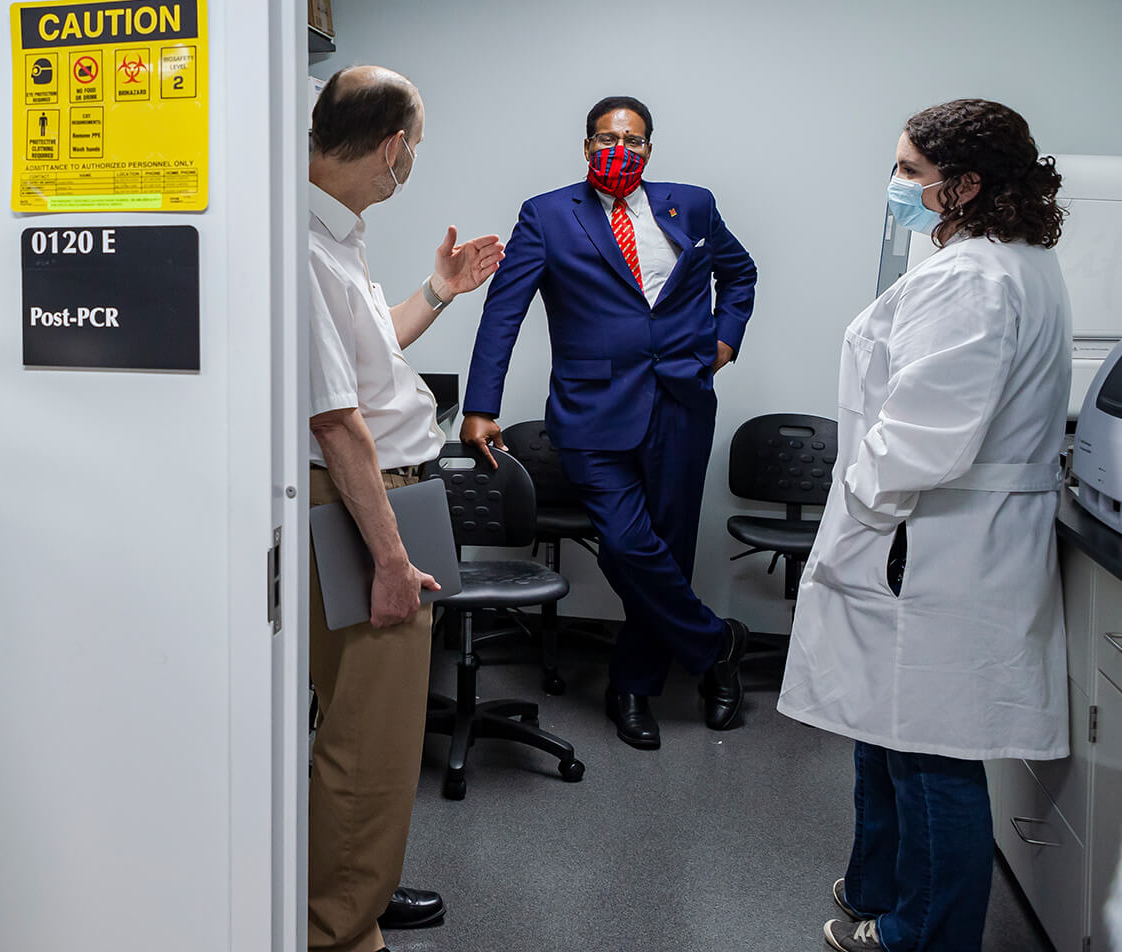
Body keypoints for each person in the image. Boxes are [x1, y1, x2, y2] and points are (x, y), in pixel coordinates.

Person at [779, 99, 1072, 952]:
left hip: (937, 537)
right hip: (950, 531)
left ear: (967, 184)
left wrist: (859, 504)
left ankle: (922, 934)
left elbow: (920, 439)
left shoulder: (973, 278)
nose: (897, 183)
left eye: (911, 169)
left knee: (930, 750)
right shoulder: (1013, 260)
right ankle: (878, 885)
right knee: (889, 725)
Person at [459, 96, 757, 749]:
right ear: (586, 143)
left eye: (634, 139)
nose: (620, 147)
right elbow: (503, 313)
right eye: (605, 136)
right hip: (592, 409)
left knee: (668, 549)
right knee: (626, 546)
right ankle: (717, 645)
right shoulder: (547, 215)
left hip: (681, 402)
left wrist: (724, 342)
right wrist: (481, 405)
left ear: (651, 149)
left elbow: (739, 275)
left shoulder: (692, 204)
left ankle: (634, 685)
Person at [307, 65, 504, 952]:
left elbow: (370, 359)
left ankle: (362, 887)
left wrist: (437, 293)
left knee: (378, 727)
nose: (412, 159)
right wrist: (390, 558)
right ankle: (340, 930)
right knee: (369, 736)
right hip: (367, 502)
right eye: (414, 145)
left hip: (392, 491)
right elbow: (338, 421)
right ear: (393, 148)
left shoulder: (336, 237)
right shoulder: (303, 247)